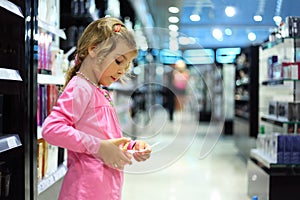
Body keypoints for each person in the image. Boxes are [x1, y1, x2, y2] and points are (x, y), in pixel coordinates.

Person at [42, 17, 152, 200]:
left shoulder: (100, 92)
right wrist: (100, 147)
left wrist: (131, 146)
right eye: (118, 61)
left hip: (105, 190)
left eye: (125, 67)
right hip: (84, 191)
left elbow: (106, 138)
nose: (120, 71)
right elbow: (51, 129)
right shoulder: (80, 87)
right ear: (93, 49)